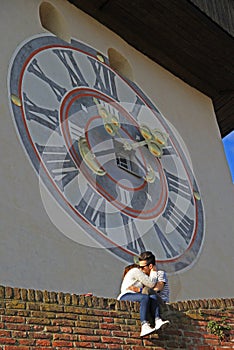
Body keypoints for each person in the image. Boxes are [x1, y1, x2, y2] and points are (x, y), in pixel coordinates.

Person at [117, 252, 169, 337]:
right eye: (139, 266)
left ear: (150, 266)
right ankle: (144, 325)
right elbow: (151, 284)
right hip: (126, 295)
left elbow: (155, 289)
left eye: (142, 267)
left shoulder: (159, 274)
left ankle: (158, 320)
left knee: (151, 296)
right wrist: (153, 271)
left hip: (147, 297)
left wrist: (139, 289)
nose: (140, 269)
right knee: (145, 297)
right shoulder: (136, 271)